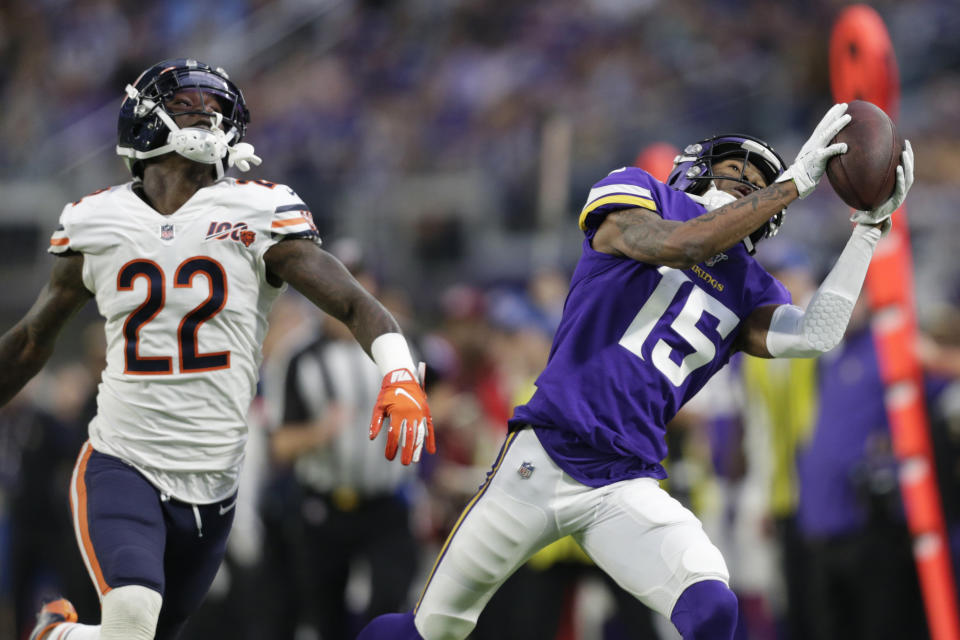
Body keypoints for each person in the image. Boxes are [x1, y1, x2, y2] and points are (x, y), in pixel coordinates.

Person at [358, 103, 915, 640]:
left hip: (625, 480)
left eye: (756, 184)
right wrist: (790, 184)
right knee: (430, 629)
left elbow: (817, 334)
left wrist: (869, 228)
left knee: (712, 607)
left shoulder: (753, 288)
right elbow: (681, 244)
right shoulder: (639, 193)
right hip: (543, 456)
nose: (744, 183)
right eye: (733, 173)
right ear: (692, 174)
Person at [0, 58, 433, 640]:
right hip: (123, 460)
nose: (205, 113)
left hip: (215, 482)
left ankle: (59, 636)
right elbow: (31, 340)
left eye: (214, 104)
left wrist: (399, 374)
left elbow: (354, 302)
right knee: (132, 622)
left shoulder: (256, 210)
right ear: (143, 121)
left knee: (146, 634)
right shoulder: (96, 221)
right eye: (186, 103)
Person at [264, 240, 422, 639]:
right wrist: (320, 432)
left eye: (359, 280)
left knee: (391, 606)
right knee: (325, 616)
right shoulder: (298, 357)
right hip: (325, 507)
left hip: (388, 505)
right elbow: (279, 445)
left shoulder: (399, 348)